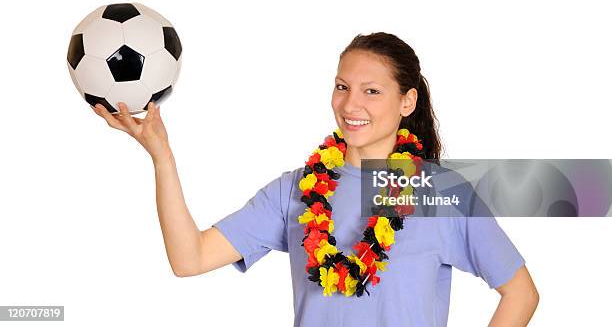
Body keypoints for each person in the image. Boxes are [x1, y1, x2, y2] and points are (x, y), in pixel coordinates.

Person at [92, 32, 539, 326]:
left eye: (371, 91)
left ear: (407, 101)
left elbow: (519, 293)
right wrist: (161, 155)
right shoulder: (297, 190)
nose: (350, 105)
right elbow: (189, 258)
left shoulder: (440, 194)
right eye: (342, 87)